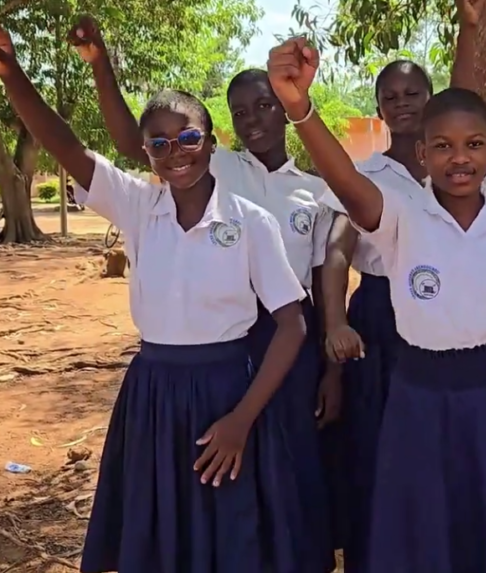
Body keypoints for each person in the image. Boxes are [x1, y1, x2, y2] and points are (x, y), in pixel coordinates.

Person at [0, 15, 310, 573]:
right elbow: (66, 145)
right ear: (146, 154)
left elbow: (291, 325)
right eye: (159, 144)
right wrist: (10, 71)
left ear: (211, 142)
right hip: (154, 392)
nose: (176, 153)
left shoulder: (251, 222)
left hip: (228, 390)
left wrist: (242, 419)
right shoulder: (140, 209)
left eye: (189, 138)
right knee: (159, 524)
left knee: (230, 530)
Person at [267, 36, 486, 572]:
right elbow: (347, 183)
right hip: (417, 394)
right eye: (442, 146)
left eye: (473, 145)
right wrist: (299, 107)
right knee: (421, 530)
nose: (459, 158)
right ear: (422, 155)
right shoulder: (402, 218)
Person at [67, 17, 335, 572]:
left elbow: (321, 278)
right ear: (225, 133)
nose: (254, 118)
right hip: (219, 337)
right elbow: (131, 141)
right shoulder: (219, 168)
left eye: (265, 105)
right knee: (184, 489)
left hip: (269, 335)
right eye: (240, 111)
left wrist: (331, 355)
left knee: (273, 465)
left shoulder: (311, 189)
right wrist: (100, 66)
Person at [317, 2, 486, 568]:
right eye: (391, 97)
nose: (403, 104)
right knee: (381, 440)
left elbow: (465, 97)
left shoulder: (454, 165)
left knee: (445, 441)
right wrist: (335, 321)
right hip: (381, 314)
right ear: (379, 109)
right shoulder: (367, 175)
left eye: (413, 94)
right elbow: (337, 249)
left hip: (446, 312)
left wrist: (469, 31)